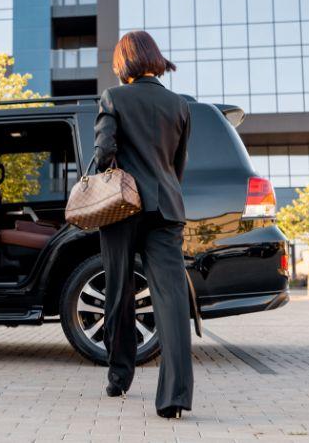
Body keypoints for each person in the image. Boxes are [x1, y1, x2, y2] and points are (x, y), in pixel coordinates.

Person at [94, 31, 193, 418]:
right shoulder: (179, 104)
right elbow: (178, 164)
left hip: (122, 209)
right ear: (155, 58)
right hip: (167, 208)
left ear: (124, 63)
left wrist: (114, 171)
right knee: (171, 301)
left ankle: (119, 377)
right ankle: (174, 398)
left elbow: (104, 153)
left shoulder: (113, 97)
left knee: (119, 292)